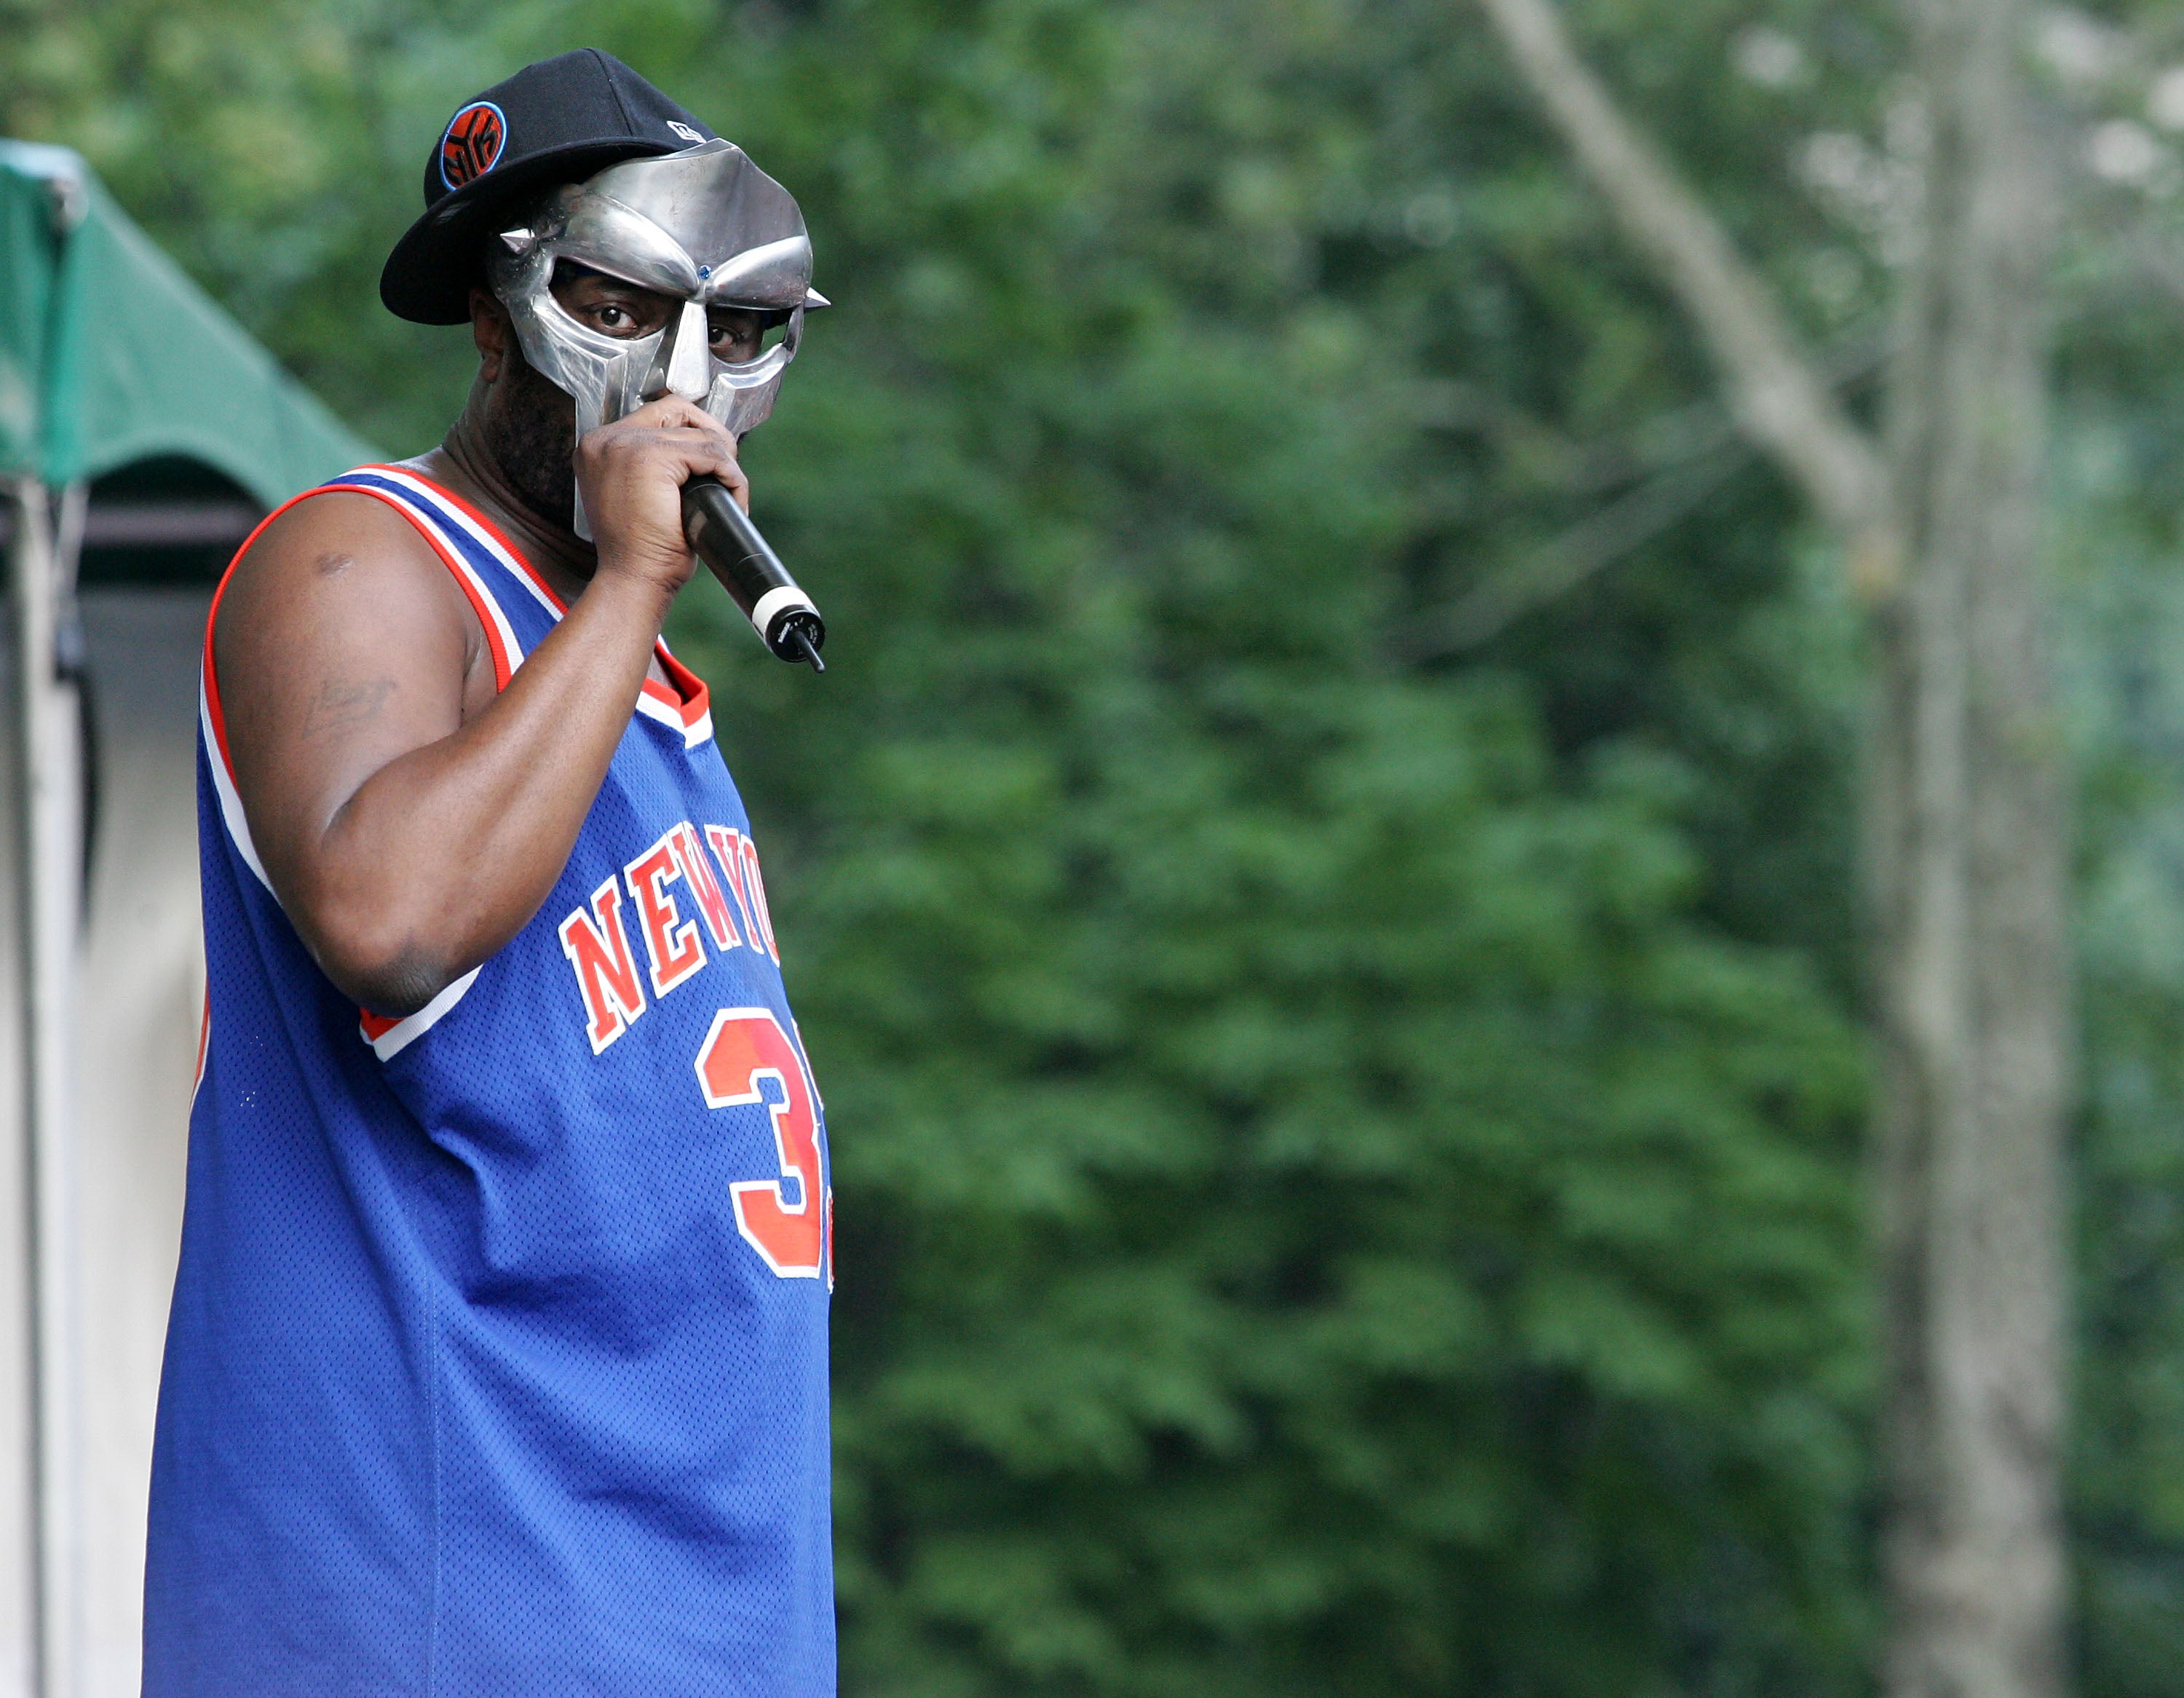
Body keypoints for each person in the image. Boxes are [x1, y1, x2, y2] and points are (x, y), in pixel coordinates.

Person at [143, 50, 836, 1695]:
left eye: (740, 334)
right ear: (490, 308)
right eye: (619, 302)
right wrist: (630, 589)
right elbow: (388, 916)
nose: (684, 383)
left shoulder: (637, 700)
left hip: (692, 1603)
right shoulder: (362, 552)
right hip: (444, 1600)